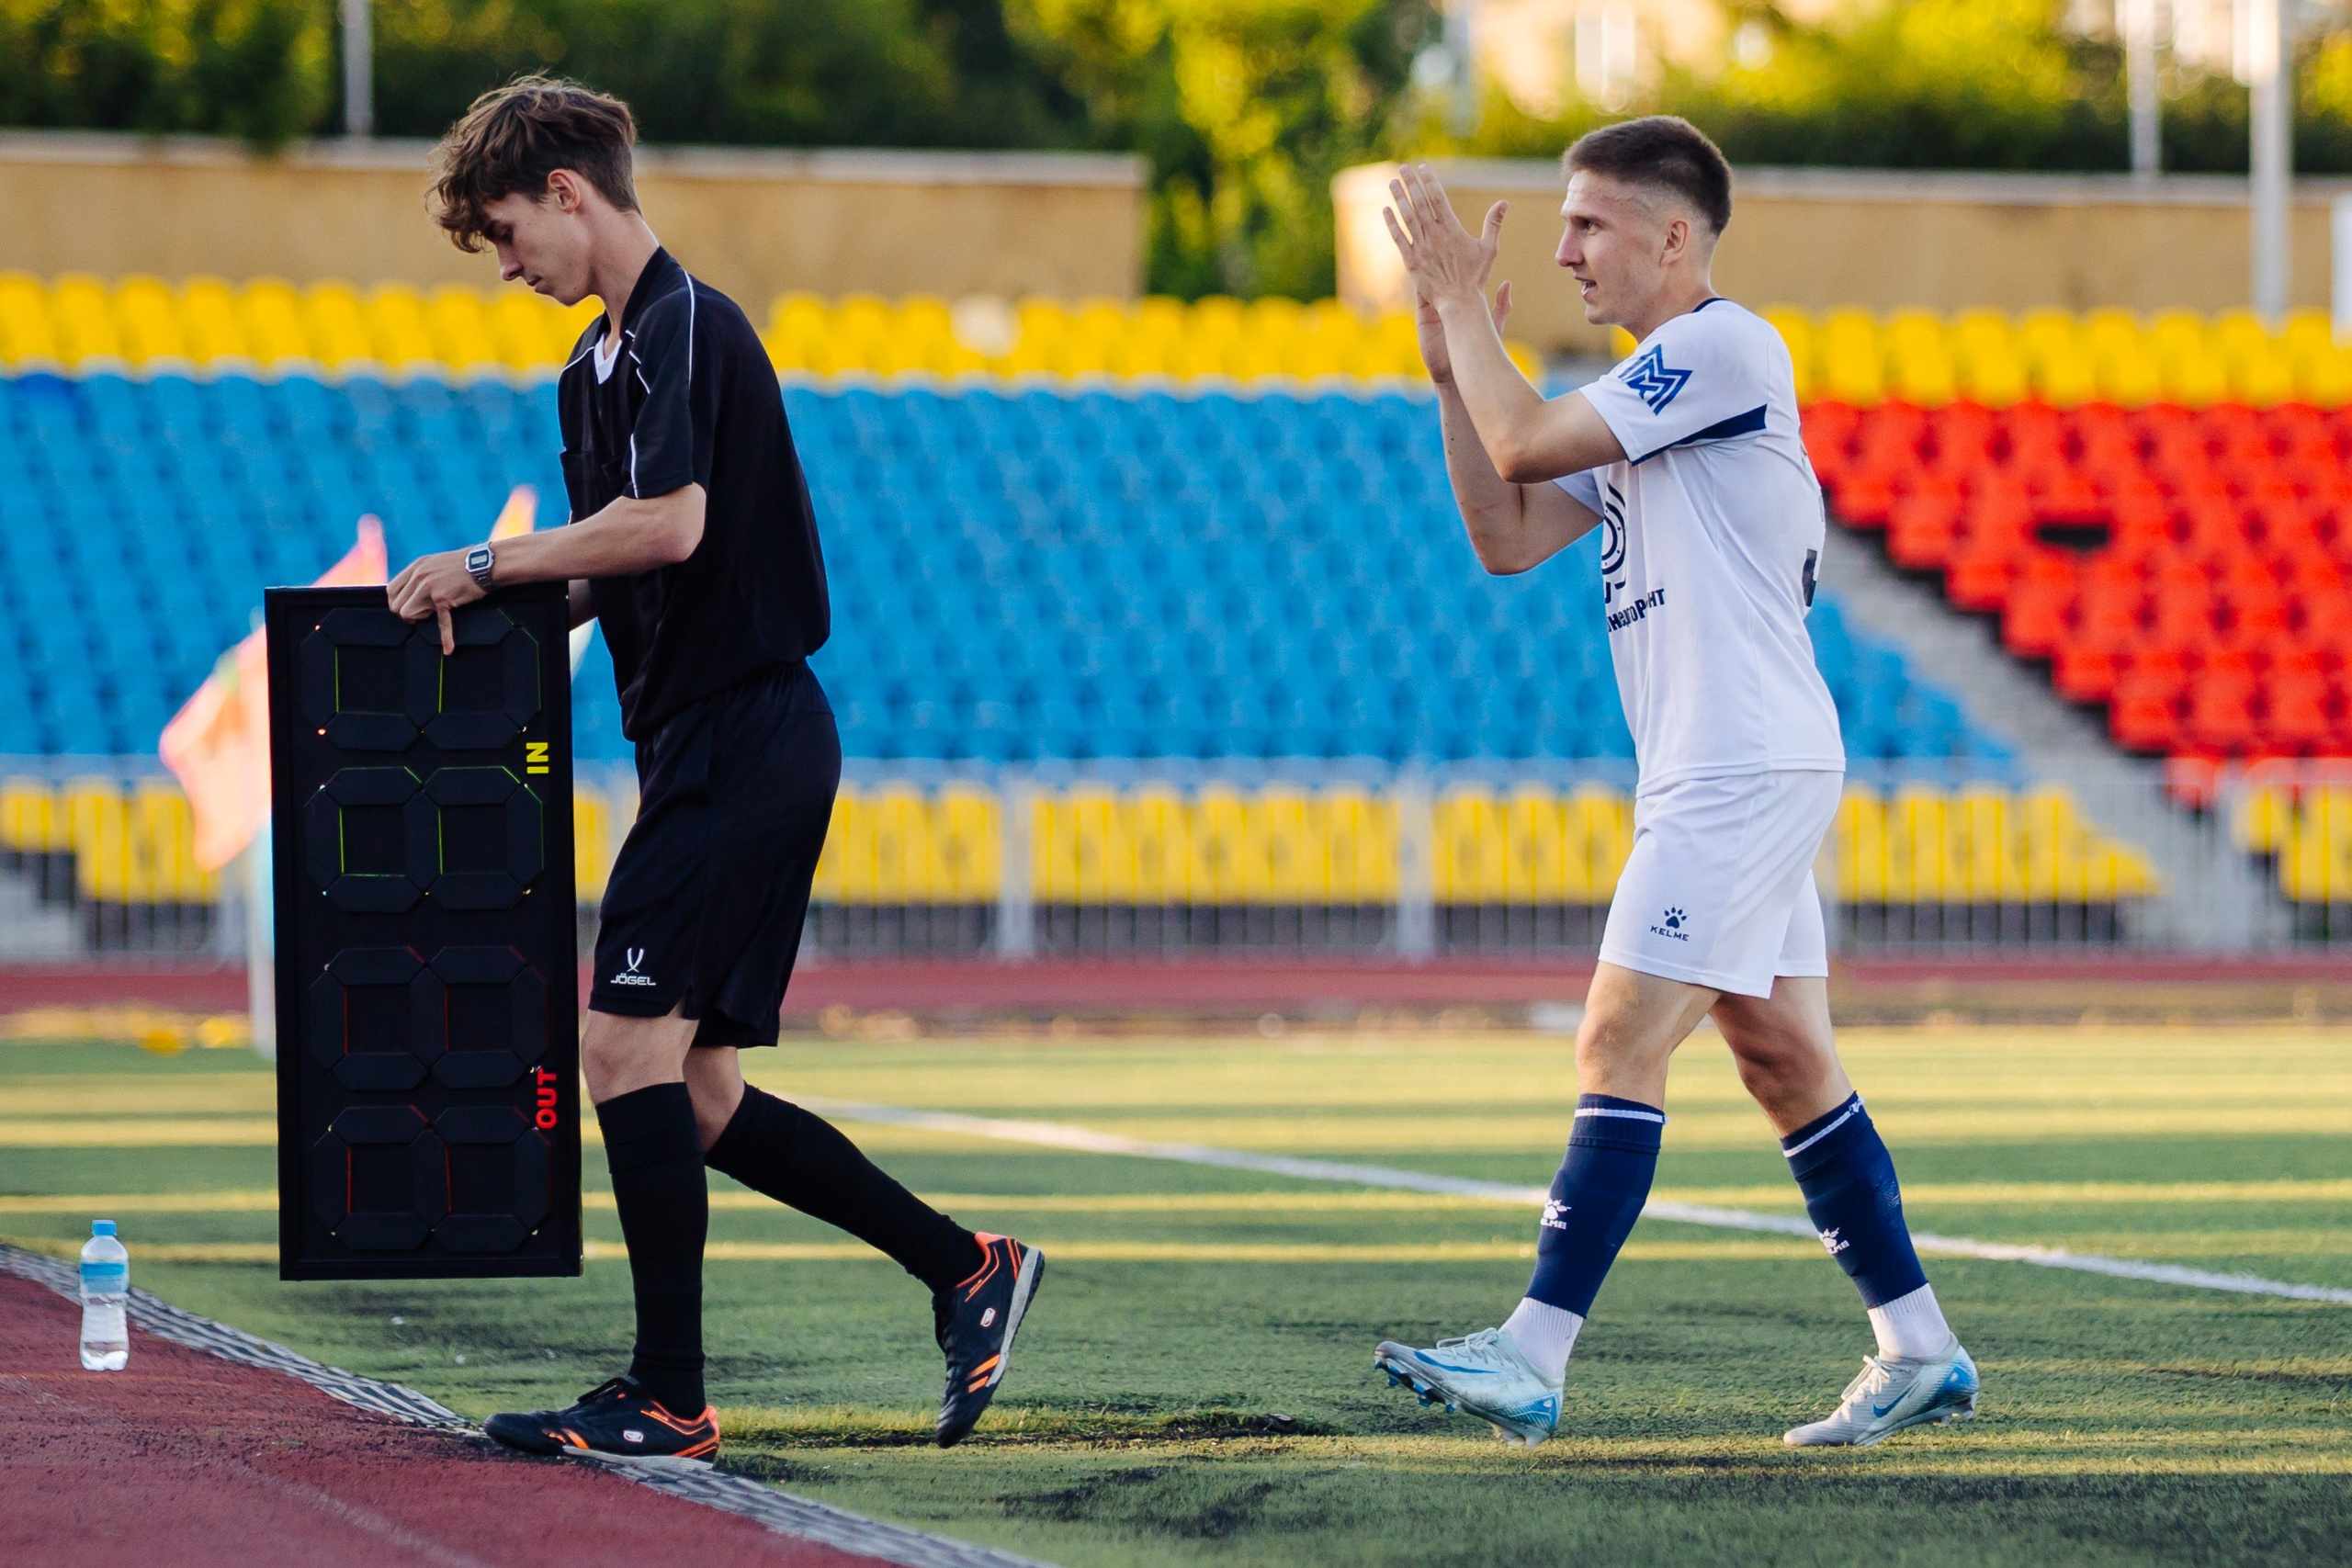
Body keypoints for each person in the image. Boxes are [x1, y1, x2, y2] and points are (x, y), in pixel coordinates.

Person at [388, 77, 1042, 1461]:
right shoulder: (589, 369)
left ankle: (669, 1395)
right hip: (703, 739)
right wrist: (482, 615)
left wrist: (493, 561)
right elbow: (603, 570)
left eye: (509, 233)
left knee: (621, 1046)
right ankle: (966, 1269)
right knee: (694, 1092)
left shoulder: (690, 323)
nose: (508, 269)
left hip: (749, 730)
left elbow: (669, 524)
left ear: (570, 191)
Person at [1369, 117, 1975, 1450]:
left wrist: (1472, 318)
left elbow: (1525, 438)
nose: (1568, 248)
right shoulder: (1657, 388)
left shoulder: (1719, 347)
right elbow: (1505, 527)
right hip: (1731, 760)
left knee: (1615, 1038)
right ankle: (1916, 1343)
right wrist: (1443, 371)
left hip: (1738, 762)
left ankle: (1533, 1354)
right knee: (1781, 1057)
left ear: (1673, 239)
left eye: (1590, 223)